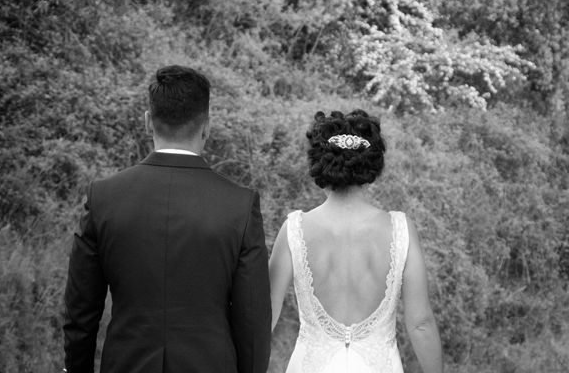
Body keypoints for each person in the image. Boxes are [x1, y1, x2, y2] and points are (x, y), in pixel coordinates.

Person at [63, 65, 271, 373]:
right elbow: (252, 321)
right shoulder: (239, 205)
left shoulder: (103, 198)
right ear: (207, 126)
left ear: (148, 123)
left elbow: (80, 313)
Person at [269, 110, 443, 373]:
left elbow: (263, 316)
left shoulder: (294, 229)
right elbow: (420, 324)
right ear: (372, 165)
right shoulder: (400, 229)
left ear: (319, 164)